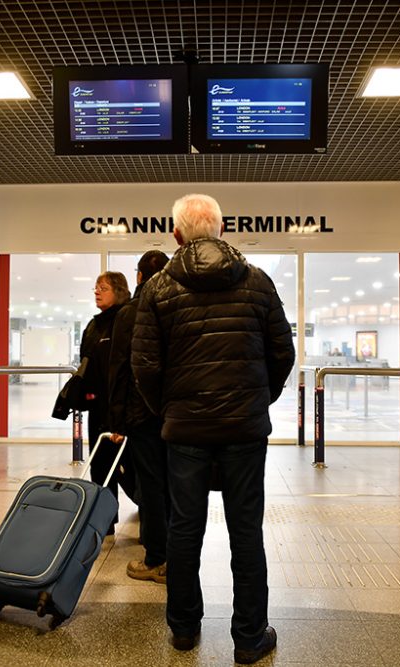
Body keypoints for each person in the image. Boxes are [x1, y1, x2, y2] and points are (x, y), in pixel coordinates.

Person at [132, 194, 295, 665]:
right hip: (244, 430)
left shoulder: (159, 288)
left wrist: (169, 410)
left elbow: (144, 365)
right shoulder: (258, 282)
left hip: (185, 431)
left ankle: (183, 630)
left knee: (184, 528)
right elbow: (282, 353)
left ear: (177, 235)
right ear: (221, 231)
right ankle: (249, 637)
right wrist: (257, 400)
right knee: (246, 529)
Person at [107, 249, 170, 584]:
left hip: (141, 414)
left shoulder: (129, 313)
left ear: (140, 277)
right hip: (174, 415)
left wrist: (116, 421)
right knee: (176, 484)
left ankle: (156, 557)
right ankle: (178, 558)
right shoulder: (180, 305)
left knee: (151, 485)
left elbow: (119, 371)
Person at [79, 270, 132, 534]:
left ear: (119, 291)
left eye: (103, 287)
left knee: (129, 467)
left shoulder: (127, 321)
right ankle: (105, 520)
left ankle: (149, 511)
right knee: (99, 466)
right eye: (96, 288)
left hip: (123, 406)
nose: (97, 292)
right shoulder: (93, 325)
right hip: (98, 406)